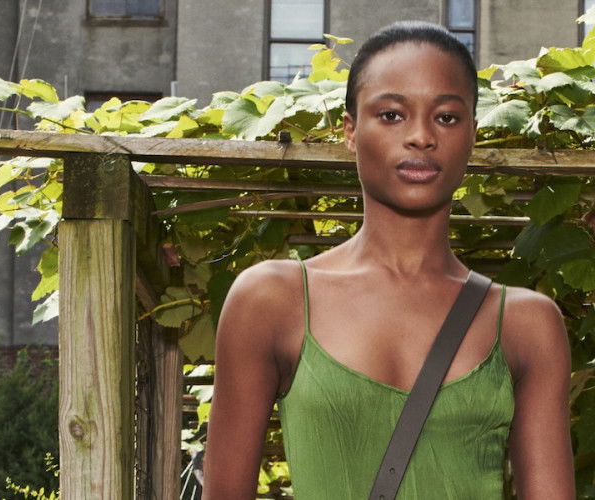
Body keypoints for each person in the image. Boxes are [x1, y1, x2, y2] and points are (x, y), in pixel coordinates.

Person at [204, 21, 574, 499]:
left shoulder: (527, 323)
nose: (421, 136)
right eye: (392, 114)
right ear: (351, 131)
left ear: (473, 136)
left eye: (446, 117)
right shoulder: (273, 300)